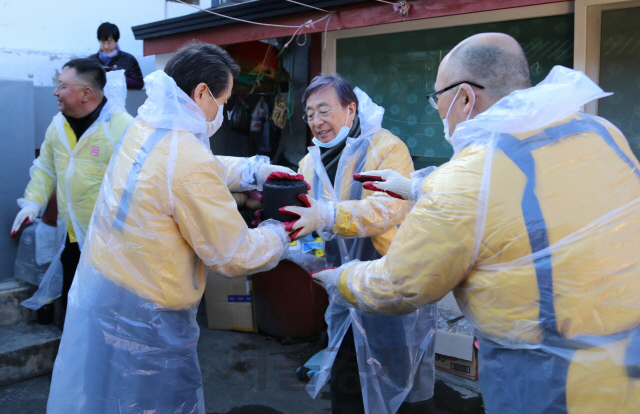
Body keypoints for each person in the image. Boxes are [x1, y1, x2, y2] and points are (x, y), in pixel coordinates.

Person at [313, 33, 640, 413]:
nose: (437, 110)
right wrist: (414, 186)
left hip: (553, 380)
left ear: (465, 97)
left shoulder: (466, 178)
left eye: (437, 97)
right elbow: (520, 191)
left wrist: (341, 280)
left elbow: (400, 286)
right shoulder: (600, 132)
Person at [47, 42, 294, 414]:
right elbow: (233, 254)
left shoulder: (146, 128)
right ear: (200, 93)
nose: (221, 111)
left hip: (106, 292)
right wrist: (284, 230)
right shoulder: (184, 153)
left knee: (101, 400)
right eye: (222, 101)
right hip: (149, 320)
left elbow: (183, 170)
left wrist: (251, 170)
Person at [281, 74, 437, 414]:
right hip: (340, 284)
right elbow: (311, 228)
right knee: (347, 372)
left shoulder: (385, 147)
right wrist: (300, 252)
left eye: (324, 110)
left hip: (388, 278)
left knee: (396, 374)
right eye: (309, 114)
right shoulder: (310, 162)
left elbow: (389, 207)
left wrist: (327, 215)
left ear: (351, 110)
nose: (316, 122)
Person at [12, 60, 132, 319]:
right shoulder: (58, 125)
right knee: (73, 304)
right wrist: (33, 202)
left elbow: (140, 184)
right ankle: (73, 357)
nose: (55, 92)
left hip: (110, 240)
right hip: (71, 237)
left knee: (107, 311)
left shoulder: (122, 127)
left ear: (86, 93)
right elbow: (45, 168)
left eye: (61, 86)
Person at [89, 21, 144, 89]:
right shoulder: (90, 61)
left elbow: (139, 84)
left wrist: (120, 78)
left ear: (116, 40)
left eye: (109, 42)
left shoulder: (128, 59)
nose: (106, 46)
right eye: (103, 42)